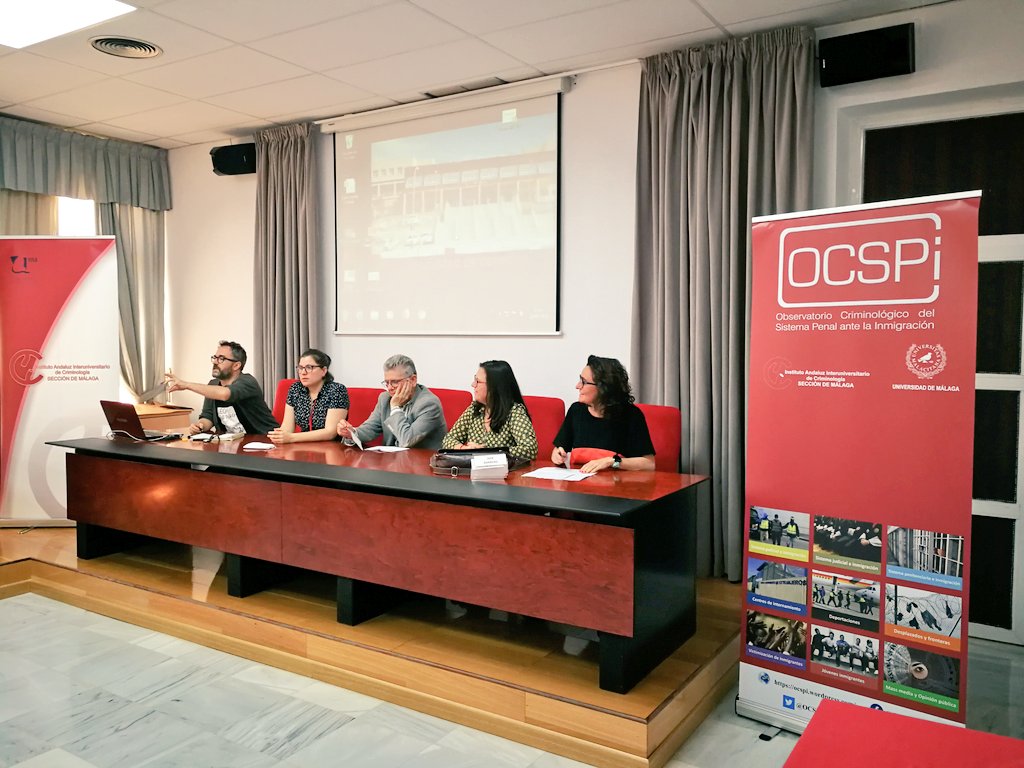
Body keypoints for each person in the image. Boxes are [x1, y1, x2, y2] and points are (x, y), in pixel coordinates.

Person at [551, 355, 655, 473]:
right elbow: (558, 449)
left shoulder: (631, 415)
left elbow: (649, 464)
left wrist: (612, 462)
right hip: (579, 481)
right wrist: (557, 455)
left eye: (584, 382)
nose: (578, 386)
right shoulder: (576, 410)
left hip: (617, 482)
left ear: (603, 387)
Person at [166, 340, 278, 435]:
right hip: (232, 444)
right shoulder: (213, 385)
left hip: (265, 440)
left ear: (236, 365)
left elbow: (225, 394)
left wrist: (186, 385)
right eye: (215, 358)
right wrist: (200, 426)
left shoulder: (248, 382)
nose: (215, 362)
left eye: (221, 359)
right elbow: (208, 416)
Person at [336, 354, 446, 449]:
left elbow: (407, 440)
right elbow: (370, 428)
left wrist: (395, 407)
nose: (389, 388)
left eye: (395, 382)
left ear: (413, 380)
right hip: (391, 461)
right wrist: (351, 433)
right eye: (386, 382)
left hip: (421, 463)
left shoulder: (429, 404)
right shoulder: (385, 398)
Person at [441, 360, 538, 463]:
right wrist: (463, 449)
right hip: (474, 471)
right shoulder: (474, 409)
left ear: (494, 386)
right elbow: (448, 439)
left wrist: (486, 453)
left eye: (478, 381)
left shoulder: (514, 412)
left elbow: (530, 449)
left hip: (506, 472)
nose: (473, 385)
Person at [268, 349, 349, 444]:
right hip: (303, 445)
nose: (303, 372)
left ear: (323, 371)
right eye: (300, 368)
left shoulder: (336, 390)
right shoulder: (296, 389)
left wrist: (291, 438)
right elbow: (287, 427)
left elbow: (330, 433)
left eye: (309, 367)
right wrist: (279, 436)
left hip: (331, 448)